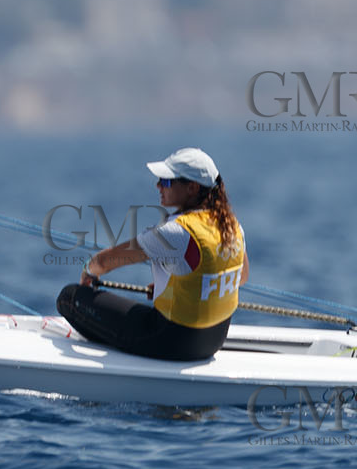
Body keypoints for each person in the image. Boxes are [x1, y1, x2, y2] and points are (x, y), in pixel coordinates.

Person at [55, 147, 248, 362]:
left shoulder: (174, 232)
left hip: (171, 342)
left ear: (192, 188)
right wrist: (175, 289)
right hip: (213, 341)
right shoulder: (232, 226)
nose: (158, 185)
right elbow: (240, 277)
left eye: (166, 181)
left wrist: (88, 271)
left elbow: (104, 263)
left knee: (69, 298)